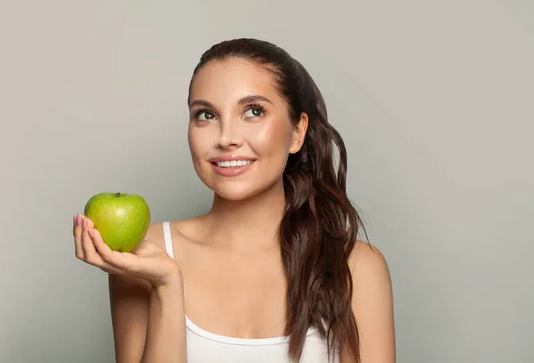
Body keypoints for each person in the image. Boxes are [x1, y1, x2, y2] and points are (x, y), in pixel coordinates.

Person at [72, 38, 396, 362]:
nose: (226, 138)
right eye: (206, 115)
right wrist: (167, 286)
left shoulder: (355, 266)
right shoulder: (146, 254)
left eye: (254, 111)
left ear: (298, 132)